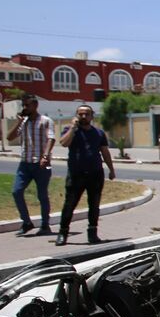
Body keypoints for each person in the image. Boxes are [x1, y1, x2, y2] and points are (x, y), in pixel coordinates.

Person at [56, 104, 116, 246]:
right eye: (80, 114)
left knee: (94, 205)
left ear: (92, 116)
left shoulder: (99, 133)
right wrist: (72, 128)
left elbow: (105, 152)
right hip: (76, 174)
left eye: (87, 114)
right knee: (69, 205)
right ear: (76, 115)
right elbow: (63, 143)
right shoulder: (70, 131)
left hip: (95, 174)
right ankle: (63, 233)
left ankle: (92, 233)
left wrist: (111, 169)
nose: (84, 116)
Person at [8, 96, 54, 236]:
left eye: (27, 105)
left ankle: (45, 225)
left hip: (41, 164)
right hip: (25, 163)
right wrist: (18, 122)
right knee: (16, 191)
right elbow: (9, 137)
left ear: (35, 105)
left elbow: (51, 138)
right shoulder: (24, 122)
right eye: (23, 105)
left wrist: (46, 156)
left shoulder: (46, 121)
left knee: (42, 195)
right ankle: (27, 222)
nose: (24, 108)